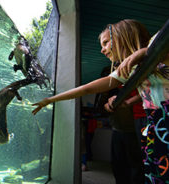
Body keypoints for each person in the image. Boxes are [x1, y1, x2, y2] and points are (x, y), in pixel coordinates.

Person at [31, 19, 151, 182]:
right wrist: (50, 99)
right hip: (153, 123)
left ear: (121, 36)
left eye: (106, 43)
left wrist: (143, 51)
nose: (102, 50)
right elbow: (86, 88)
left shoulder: (154, 47)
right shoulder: (126, 71)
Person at [106, 31, 169, 183]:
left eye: (107, 43)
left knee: (140, 161)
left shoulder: (146, 62)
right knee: (138, 159)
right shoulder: (122, 70)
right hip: (138, 118)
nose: (104, 50)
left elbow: (151, 87)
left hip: (149, 116)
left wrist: (129, 102)